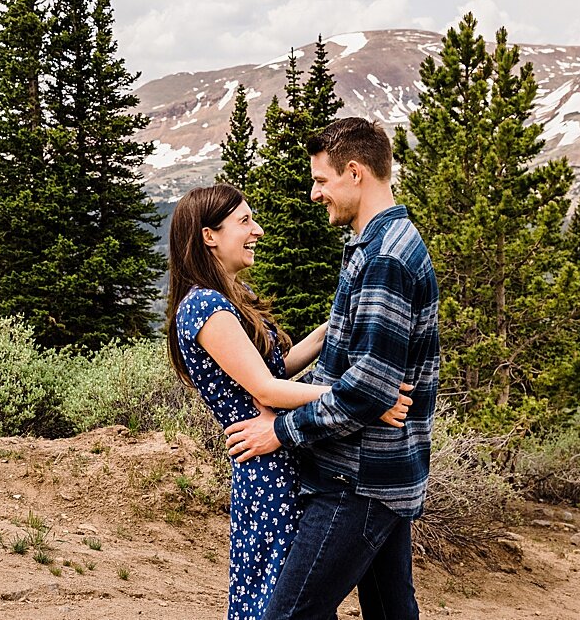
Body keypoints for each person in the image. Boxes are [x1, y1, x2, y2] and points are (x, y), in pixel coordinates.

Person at [223, 117, 441, 620]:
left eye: (322, 180)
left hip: (357, 479)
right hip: (381, 472)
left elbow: (368, 390)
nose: (315, 192)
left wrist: (281, 430)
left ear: (355, 173)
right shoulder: (378, 247)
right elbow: (365, 377)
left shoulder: (386, 257)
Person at [165, 183, 413, 620]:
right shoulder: (204, 307)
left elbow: (282, 365)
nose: (257, 229)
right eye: (244, 221)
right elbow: (267, 389)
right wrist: (366, 397)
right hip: (267, 469)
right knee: (276, 597)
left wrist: (337, 322)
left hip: (283, 454)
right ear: (209, 236)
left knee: (297, 597)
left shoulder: (226, 300)